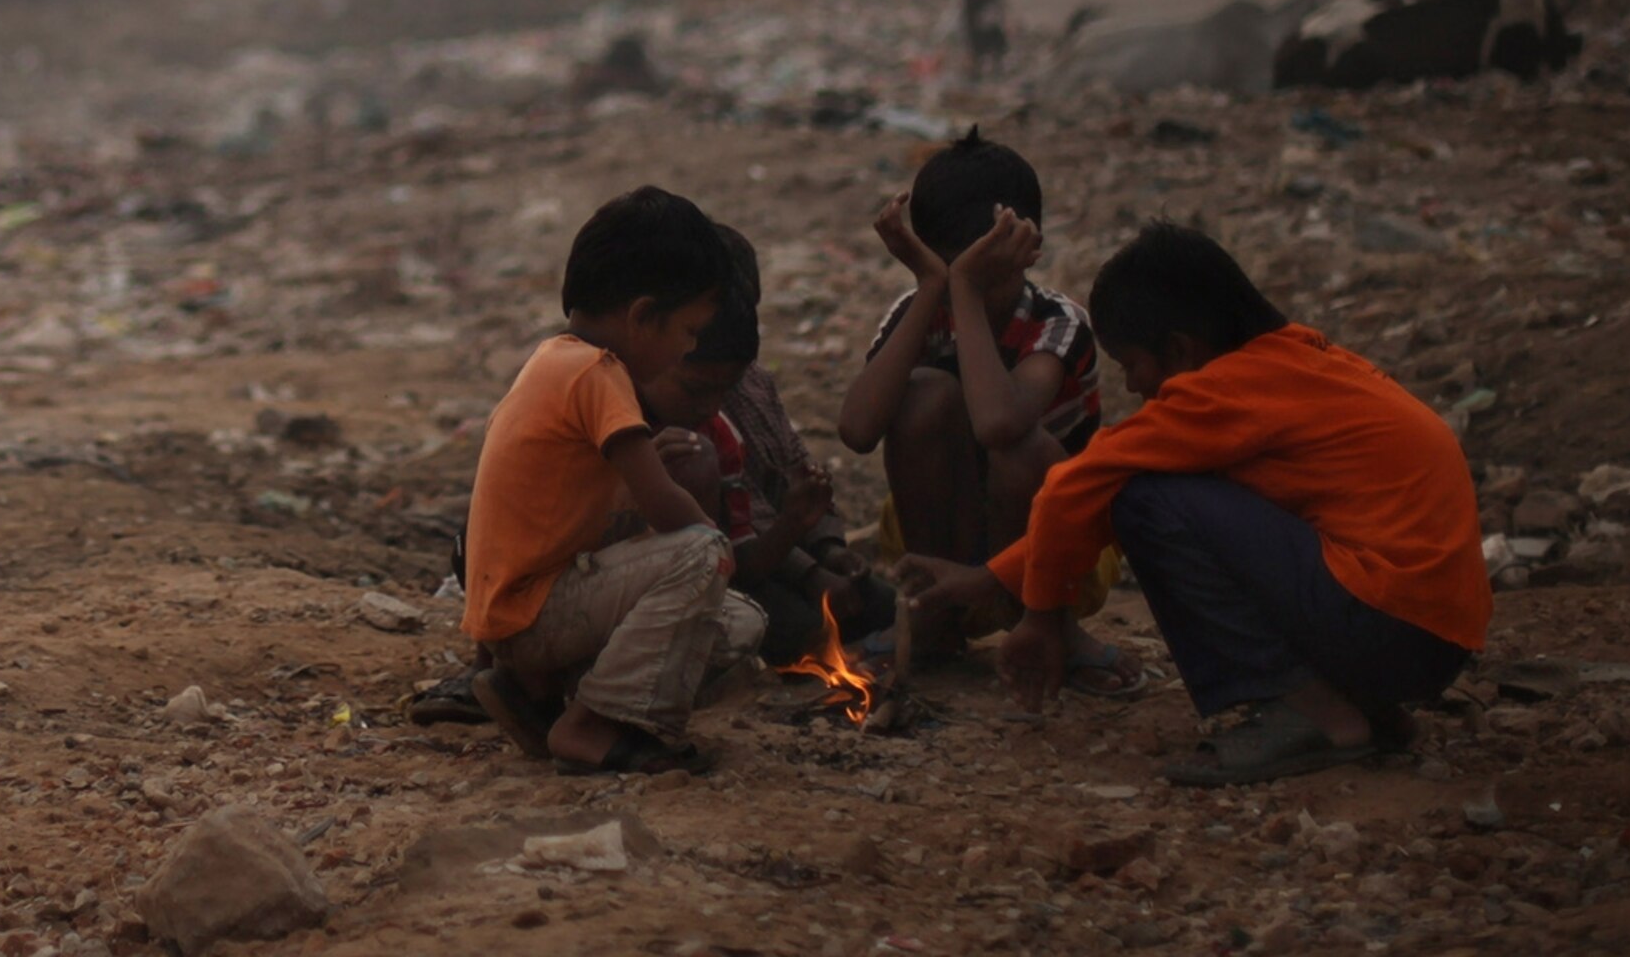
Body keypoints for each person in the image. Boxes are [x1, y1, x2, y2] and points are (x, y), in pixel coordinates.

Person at [900, 223, 1487, 786]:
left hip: (1387, 625)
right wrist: (990, 580)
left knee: (1145, 497)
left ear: (1180, 348)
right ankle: (1364, 709)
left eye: (1132, 365)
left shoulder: (1225, 393)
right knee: (1153, 489)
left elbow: (1076, 488)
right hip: (1431, 638)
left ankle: (1316, 713)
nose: (1132, 387)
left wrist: (1039, 618)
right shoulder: (1295, 363)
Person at [835, 134, 1136, 689]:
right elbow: (856, 430)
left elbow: (1000, 425)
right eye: (947, 269)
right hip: (939, 535)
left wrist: (965, 292)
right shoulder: (918, 310)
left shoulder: (1057, 321)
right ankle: (934, 620)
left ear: (1029, 246)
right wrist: (932, 285)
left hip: (1055, 551)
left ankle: (1051, 625)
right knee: (924, 392)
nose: (958, 286)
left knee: (1023, 445)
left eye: (977, 271)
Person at [462, 187, 741, 775]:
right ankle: (594, 726)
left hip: (514, 619)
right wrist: (717, 545)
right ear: (642, 318)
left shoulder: (552, 359)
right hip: (534, 614)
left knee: (739, 626)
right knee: (704, 557)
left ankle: (539, 698)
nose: (690, 346)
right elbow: (665, 505)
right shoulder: (598, 372)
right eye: (689, 330)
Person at [643, 226, 892, 663]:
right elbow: (731, 550)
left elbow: (794, 472)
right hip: (739, 569)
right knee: (795, 629)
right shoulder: (666, 414)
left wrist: (828, 550)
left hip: (772, 551)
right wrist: (810, 571)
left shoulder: (749, 383)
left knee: (880, 603)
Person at [960, 0, 1008, 77]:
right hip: (978, 21)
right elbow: (970, 2)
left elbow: (996, 2)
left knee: (992, 48)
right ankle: (977, 73)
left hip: (987, 21)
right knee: (979, 50)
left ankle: (992, 71)